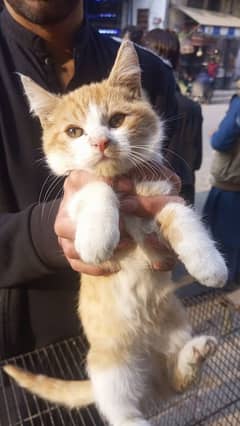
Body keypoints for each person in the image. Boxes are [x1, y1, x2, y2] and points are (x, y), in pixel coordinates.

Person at [0, 0, 180, 362]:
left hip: (137, 326)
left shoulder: (148, 73)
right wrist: (46, 232)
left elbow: (180, 182)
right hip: (14, 354)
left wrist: (168, 217)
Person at [143, 28, 203, 205]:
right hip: (185, 187)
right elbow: (197, 160)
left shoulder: (142, 109)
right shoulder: (193, 107)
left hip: (151, 190)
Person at [203, 94, 240, 288]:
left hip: (231, 186)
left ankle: (223, 283)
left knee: (225, 238)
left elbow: (221, 140)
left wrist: (217, 134)